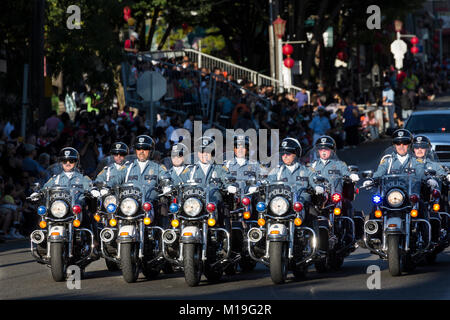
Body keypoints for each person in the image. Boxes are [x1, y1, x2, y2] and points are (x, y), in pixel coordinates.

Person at [108, 135, 168, 225]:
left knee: (163, 211)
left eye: (145, 148)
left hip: (149, 204)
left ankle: (161, 235)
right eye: (139, 149)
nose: (141, 152)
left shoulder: (157, 167)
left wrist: (166, 184)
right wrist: (105, 186)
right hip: (130, 203)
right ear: (135, 151)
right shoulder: (128, 167)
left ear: (151, 151)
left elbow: (166, 177)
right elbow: (116, 178)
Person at [181, 136, 236, 228]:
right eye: (202, 152)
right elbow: (179, 182)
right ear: (198, 153)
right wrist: (169, 187)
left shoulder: (219, 167)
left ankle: (222, 234)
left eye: (207, 152)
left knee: (221, 208)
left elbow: (227, 177)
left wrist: (230, 185)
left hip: (213, 204)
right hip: (194, 204)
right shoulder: (190, 169)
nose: (204, 154)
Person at [309, 136, 359, 218]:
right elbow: (308, 176)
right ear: (318, 151)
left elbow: (345, 171)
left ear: (332, 151)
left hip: (336, 195)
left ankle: (349, 227)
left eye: (327, 149)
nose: (324, 151)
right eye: (321, 149)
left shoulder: (339, 164)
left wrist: (351, 175)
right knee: (309, 208)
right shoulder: (313, 166)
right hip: (319, 198)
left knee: (348, 206)